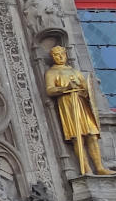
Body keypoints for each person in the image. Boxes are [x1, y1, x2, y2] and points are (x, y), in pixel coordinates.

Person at [44, 45, 110, 175]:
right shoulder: (52, 72)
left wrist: (84, 90)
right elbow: (50, 89)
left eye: (62, 54)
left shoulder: (74, 71)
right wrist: (65, 88)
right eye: (56, 55)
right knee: (77, 137)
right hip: (68, 104)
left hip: (81, 103)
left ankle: (99, 167)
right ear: (53, 58)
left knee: (91, 134)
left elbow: (86, 88)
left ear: (66, 54)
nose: (60, 57)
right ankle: (86, 169)